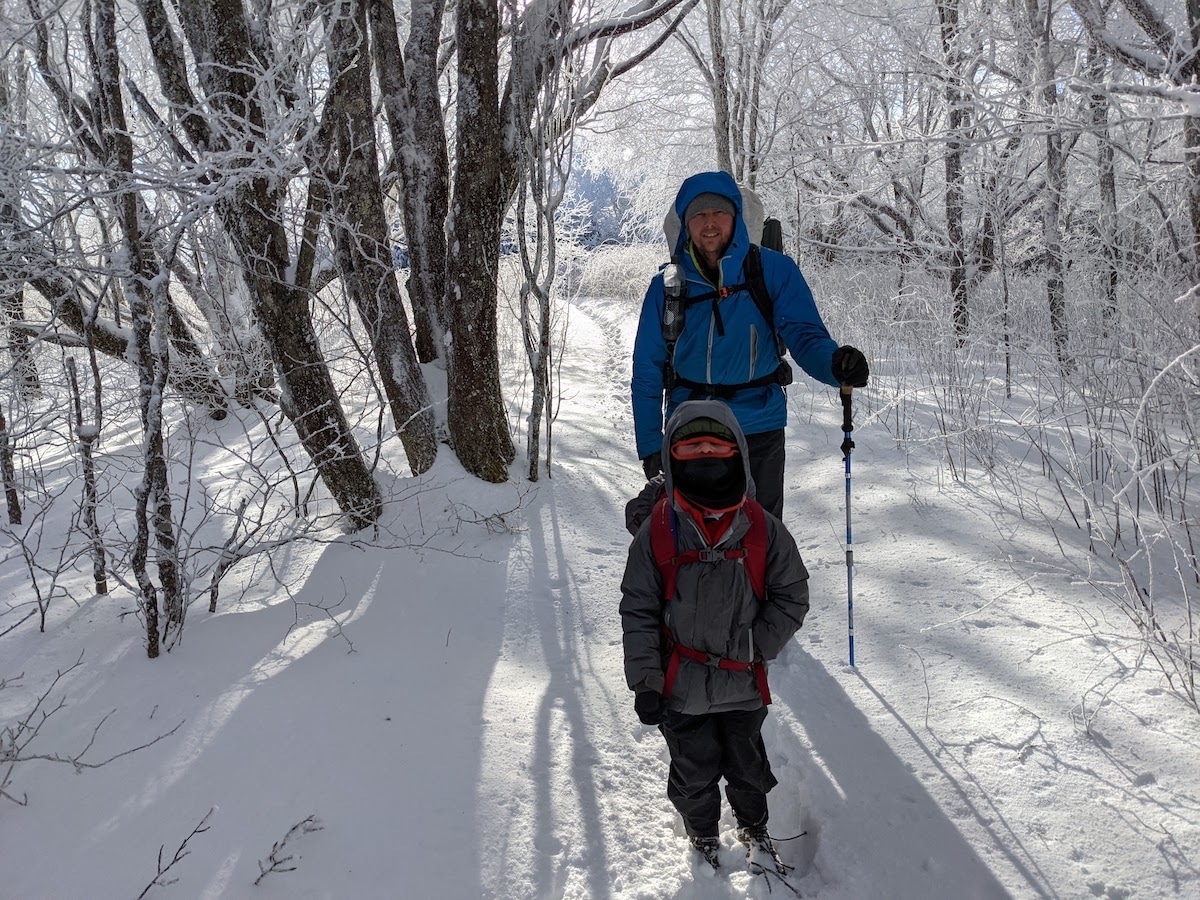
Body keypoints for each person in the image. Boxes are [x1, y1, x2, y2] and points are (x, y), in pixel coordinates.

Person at [620, 399, 810, 870]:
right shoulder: (658, 533)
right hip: (679, 689)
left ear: (738, 453)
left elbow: (792, 595)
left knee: (748, 767)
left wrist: (757, 646)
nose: (705, 454)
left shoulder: (762, 528)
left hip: (744, 686)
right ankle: (702, 833)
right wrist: (646, 682)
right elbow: (639, 609)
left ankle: (753, 825)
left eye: (716, 445)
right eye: (690, 447)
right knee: (693, 771)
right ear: (671, 457)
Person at [631, 170, 869, 519]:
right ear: (685, 224)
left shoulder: (773, 270)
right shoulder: (667, 285)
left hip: (759, 424)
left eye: (718, 213)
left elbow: (804, 335)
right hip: (690, 426)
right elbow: (647, 369)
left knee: (763, 534)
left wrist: (835, 365)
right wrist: (651, 444)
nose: (709, 224)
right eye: (698, 215)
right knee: (692, 537)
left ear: (736, 219)